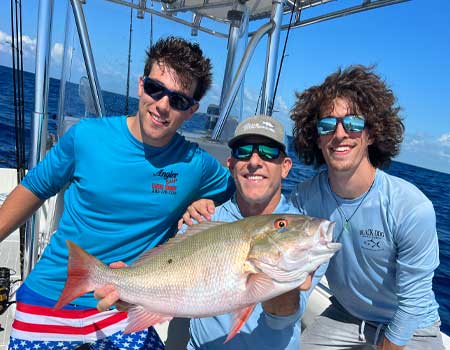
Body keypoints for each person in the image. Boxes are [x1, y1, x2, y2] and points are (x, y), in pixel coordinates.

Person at [0, 36, 234, 349]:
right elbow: (35, 188)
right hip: (51, 296)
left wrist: (207, 200)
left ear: (191, 111)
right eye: (156, 89)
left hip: (125, 304)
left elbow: (241, 192)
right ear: (141, 85)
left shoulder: (198, 166)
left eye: (178, 101)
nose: (163, 105)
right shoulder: (86, 136)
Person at [95, 114, 316, 350]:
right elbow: (165, 286)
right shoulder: (203, 218)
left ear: (285, 167)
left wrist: (279, 278)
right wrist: (129, 294)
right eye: (243, 151)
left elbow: (281, 320)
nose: (254, 161)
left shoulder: (302, 231)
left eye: (268, 151)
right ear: (230, 165)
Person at [290, 64, 444, 350]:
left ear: (371, 134)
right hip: (345, 316)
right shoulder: (305, 197)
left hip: (414, 327)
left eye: (353, 123)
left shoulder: (410, 207)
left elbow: (412, 304)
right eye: (327, 125)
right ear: (317, 137)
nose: (339, 134)